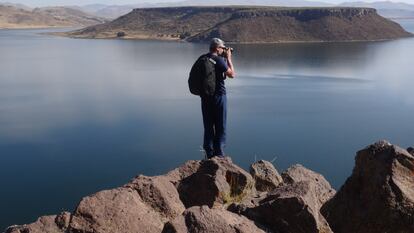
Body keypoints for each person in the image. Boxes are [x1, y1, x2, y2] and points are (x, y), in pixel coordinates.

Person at [200, 38, 235, 159]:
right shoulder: (218, 60)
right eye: (223, 48)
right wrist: (229, 58)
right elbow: (232, 75)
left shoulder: (203, 58)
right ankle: (219, 155)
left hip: (205, 98)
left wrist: (224, 58)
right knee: (220, 126)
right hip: (219, 96)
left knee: (208, 126)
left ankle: (209, 153)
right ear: (217, 48)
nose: (224, 50)